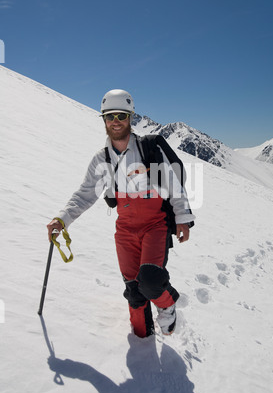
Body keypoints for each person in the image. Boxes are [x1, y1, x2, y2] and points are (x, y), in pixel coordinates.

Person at [47, 89, 195, 338]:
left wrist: (182, 219)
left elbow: (174, 186)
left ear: (130, 117)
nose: (116, 121)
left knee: (149, 279)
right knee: (133, 289)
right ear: (103, 120)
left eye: (121, 116)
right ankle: (142, 337)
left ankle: (168, 305)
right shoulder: (101, 159)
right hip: (125, 229)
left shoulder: (149, 150)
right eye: (110, 116)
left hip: (155, 225)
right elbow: (85, 194)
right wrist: (62, 219)